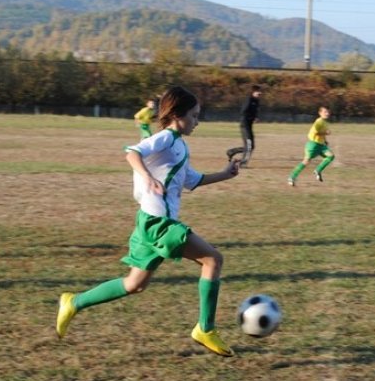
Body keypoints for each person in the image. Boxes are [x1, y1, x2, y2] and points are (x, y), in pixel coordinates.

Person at [57, 86, 241, 357]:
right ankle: (206, 329)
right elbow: (132, 152)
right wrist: (147, 177)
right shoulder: (166, 137)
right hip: (159, 224)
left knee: (135, 285)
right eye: (194, 115)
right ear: (177, 115)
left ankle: (74, 302)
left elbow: (193, 180)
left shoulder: (179, 143)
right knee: (213, 260)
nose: (197, 121)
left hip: (149, 222)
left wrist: (226, 174)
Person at [288, 106, 334, 186]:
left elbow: (322, 133)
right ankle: (292, 177)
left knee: (331, 156)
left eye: (328, 112)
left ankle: (318, 170)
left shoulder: (325, 122)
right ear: (320, 113)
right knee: (306, 162)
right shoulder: (318, 122)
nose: (327, 113)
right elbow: (315, 133)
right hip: (313, 144)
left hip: (321, 145)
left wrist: (325, 141)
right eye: (325, 112)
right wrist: (326, 133)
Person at [227, 84, 261, 167]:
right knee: (249, 145)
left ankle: (232, 151)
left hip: (249, 125)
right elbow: (243, 112)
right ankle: (243, 164)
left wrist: (255, 117)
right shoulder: (249, 100)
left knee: (251, 146)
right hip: (244, 125)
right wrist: (252, 118)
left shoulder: (256, 101)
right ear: (253, 92)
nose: (260, 94)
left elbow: (254, 112)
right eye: (258, 92)